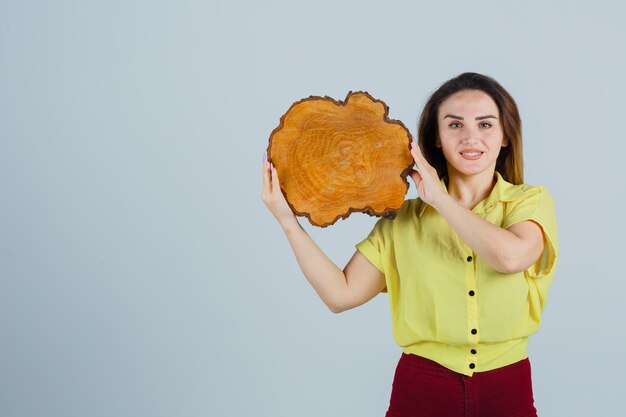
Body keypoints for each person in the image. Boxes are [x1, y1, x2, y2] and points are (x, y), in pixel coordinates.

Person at [261, 72, 558, 417]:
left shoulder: (529, 202)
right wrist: (286, 221)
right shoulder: (401, 221)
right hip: (421, 390)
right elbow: (340, 294)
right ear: (436, 138)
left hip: (508, 388)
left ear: (505, 136)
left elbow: (510, 257)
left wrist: (441, 201)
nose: (471, 137)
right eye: (455, 125)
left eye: (486, 124)